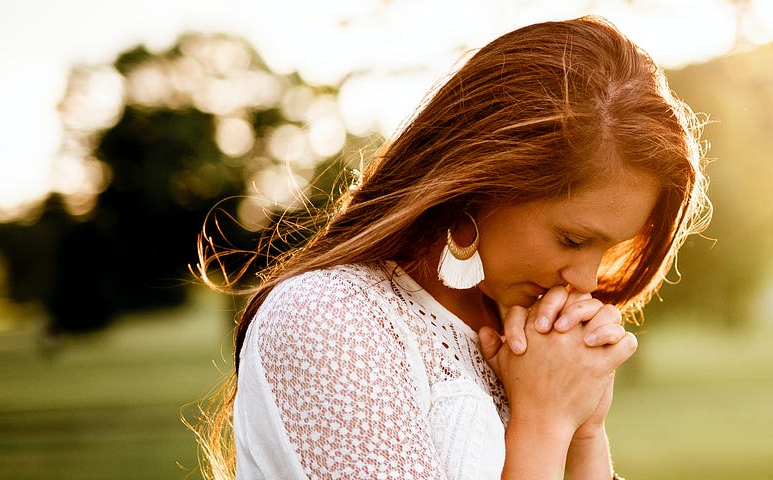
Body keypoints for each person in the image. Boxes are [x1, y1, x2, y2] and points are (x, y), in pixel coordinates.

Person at [194, 16, 709, 480]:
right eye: (573, 239)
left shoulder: (530, 343)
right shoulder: (331, 320)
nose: (587, 281)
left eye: (607, 249)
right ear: (481, 183)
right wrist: (545, 424)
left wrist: (584, 433)